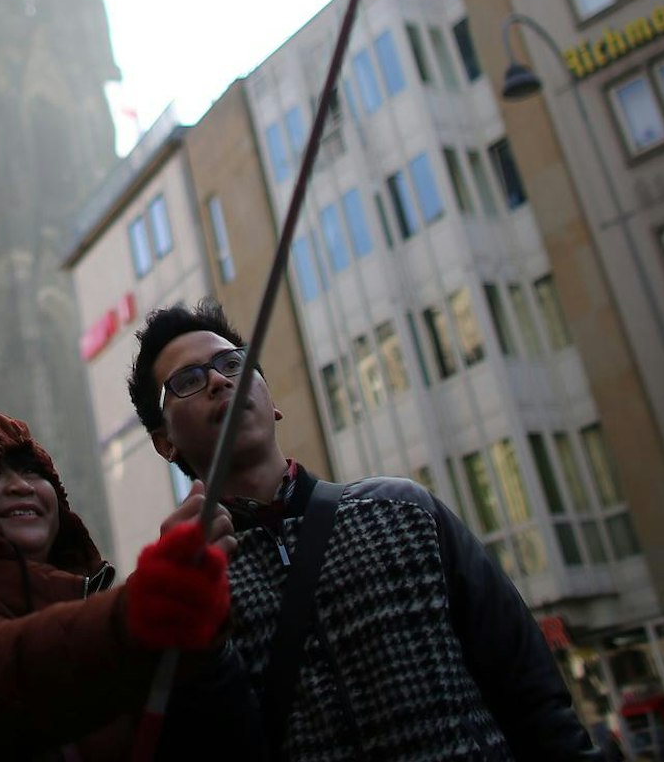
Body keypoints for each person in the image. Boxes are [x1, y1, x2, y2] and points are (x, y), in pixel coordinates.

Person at [127, 299, 598, 760]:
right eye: (187, 380)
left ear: (273, 402)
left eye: (233, 363)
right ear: (164, 442)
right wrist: (189, 622)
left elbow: (529, 690)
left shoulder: (405, 509)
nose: (218, 379)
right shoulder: (187, 586)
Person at [0, 410, 242, 760]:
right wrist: (138, 611)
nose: (21, 487)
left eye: (32, 473)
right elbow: (8, 676)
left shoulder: (84, 607)